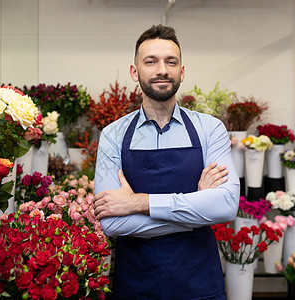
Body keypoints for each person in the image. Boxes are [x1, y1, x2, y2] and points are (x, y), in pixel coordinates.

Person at [93, 24, 240, 300]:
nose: (162, 69)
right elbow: (112, 223)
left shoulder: (210, 129)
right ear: (134, 72)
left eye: (171, 62)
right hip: (135, 285)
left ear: (182, 71)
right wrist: (197, 211)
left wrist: (138, 203)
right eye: (151, 61)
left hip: (200, 284)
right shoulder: (113, 135)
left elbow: (226, 207)